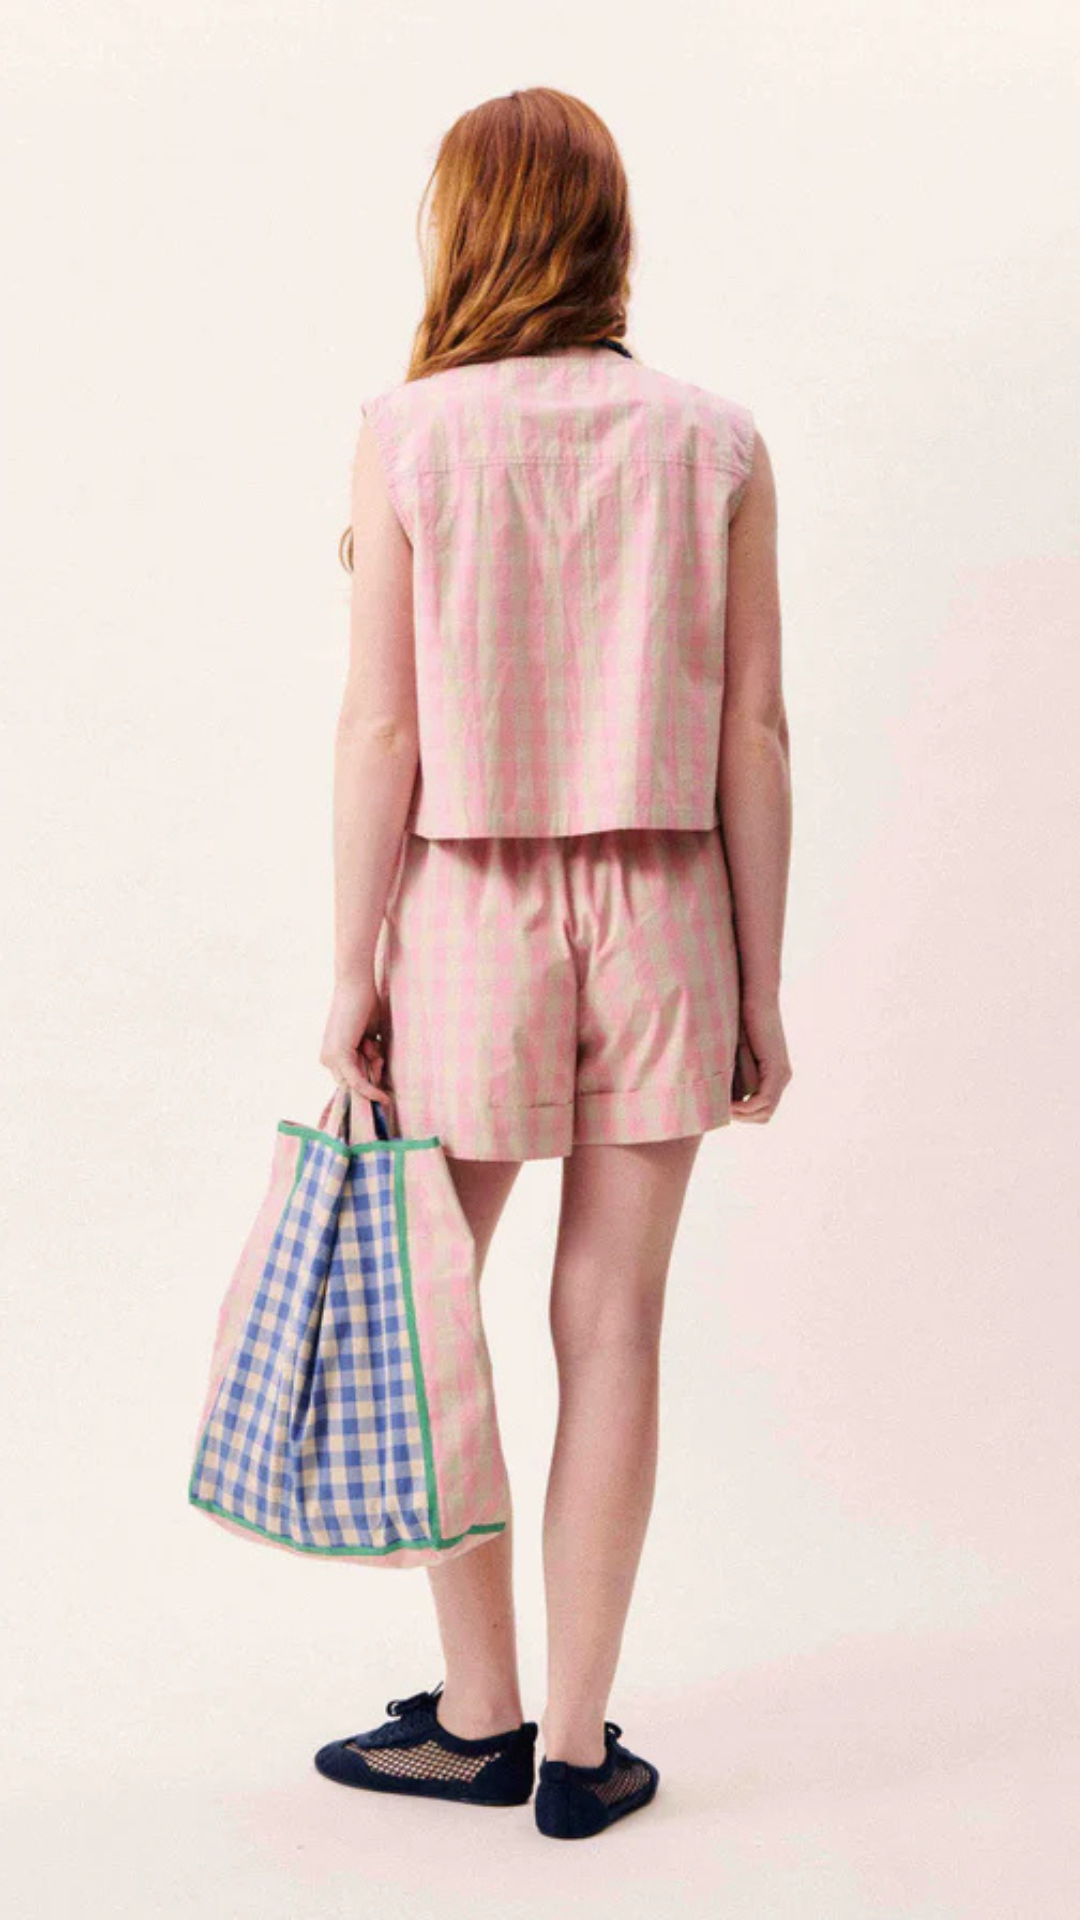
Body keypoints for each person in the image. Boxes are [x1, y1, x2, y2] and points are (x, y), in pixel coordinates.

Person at [315, 85, 792, 1841]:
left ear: (464, 230)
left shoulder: (408, 433)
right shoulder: (717, 441)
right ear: (610, 233)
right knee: (613, 1323)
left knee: (433, 1310)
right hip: (667, 909)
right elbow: (753, 733)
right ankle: (581, 1752)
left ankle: (480, 1716)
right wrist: (761, 982)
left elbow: (382, 731)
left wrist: (349, 964)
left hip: (468, 911)